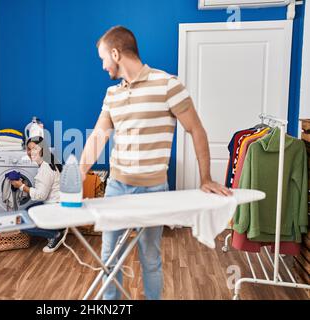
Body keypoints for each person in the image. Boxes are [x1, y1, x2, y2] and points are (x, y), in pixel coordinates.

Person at [79, 26, 232, 300]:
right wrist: (77, 175)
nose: (103, 65)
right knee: (109, 259)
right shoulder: (112, 95)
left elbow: (196, 129)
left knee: (150, 259)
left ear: (116, 53)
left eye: (103, 58)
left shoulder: (167, 84)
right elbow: (98, 137)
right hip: (116, 188)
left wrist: (205, 178)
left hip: (153, 191)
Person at [10, 136, 67, 253]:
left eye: (34, 149)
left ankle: (55, 234)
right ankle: (59, 227)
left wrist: (21, 186)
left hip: (56, 208)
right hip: (60, 205)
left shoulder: (45, 168)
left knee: (21, 221)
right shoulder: (49, 161)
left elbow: (41, 196)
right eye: (29, 149)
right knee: (27, 210)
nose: (31, 152)